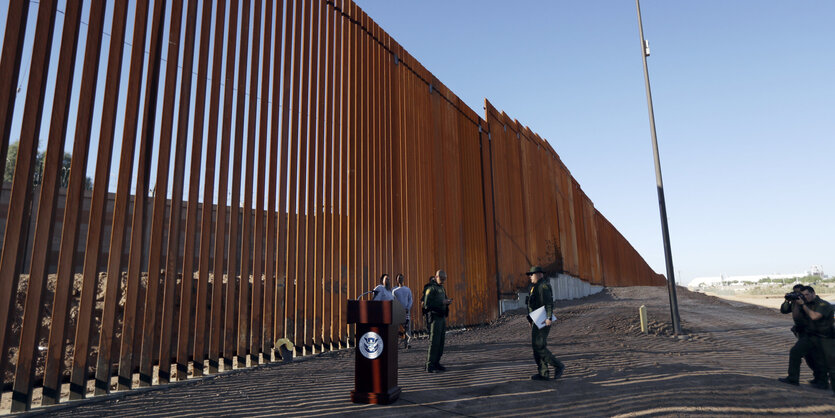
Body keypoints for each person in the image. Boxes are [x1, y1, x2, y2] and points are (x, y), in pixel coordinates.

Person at [778, 284, 827, 389]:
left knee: (796, 352)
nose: (797, 294)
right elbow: (784, 310)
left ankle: (793, 378)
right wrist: (787, 300)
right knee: (811, 357)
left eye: (799, 292)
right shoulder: (795, 302)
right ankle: (820, 380)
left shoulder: (812, 303)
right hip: (803, 333)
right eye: (795, 292)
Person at [526, 265, 565, 381]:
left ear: (539, 274)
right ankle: (543, 373)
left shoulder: (543, 286)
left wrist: (549, 317)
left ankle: (558, 365)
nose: (530, 277)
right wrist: (530, 320)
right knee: (537, 346)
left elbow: (548, 303)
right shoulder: (536, 286)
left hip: (543, 318)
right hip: (537, 318)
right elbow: (533, 304)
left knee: (539, 346)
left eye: (531, 274)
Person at [794, 286, 835, 394]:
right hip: (811, 336)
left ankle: (826, 384)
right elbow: (797, 318)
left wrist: (803, 305)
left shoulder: (823, 304)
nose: (805, 297)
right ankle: (793, 378)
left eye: (807, 295)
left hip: (826, 338)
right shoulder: (807, 305)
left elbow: (814, 316)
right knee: (799, 353)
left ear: (813, 293)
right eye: (804, 295)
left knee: (830, 364)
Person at [424, 269, 451, 373]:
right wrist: (442, 302)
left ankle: (436, 362)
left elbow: (444, 299)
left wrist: (447, 302)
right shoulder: (431, 288)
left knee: (440, 342)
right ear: (436, 277)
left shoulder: (442, 288)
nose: (443, 281)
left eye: (445, 279)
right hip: (435, 318)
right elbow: (427, 304)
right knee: (434, 342)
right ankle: (429, 365)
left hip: (442, 317)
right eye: (442, 278)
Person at [393, 273, 413, 348]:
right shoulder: (394, 290)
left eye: (401, 278)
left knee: (407, 327)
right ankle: (398, 342)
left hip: (406, 311)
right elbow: (392, 300)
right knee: (399, 327)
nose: (400, 279)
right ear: (396, 280)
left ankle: (408, 343)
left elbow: (410, 299)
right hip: (397, 311)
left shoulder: (407, 289)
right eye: (399, 278)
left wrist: (408, 307)